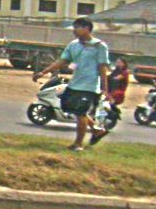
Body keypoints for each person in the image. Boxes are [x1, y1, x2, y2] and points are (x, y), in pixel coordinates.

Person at [33, 17, 110, 151]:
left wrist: (105, 88)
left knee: (80, 112)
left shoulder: (99, 46)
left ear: (87, 29)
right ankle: (97, 130)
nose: (74, 31)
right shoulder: (73, 45)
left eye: (77, 28)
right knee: (69, 107)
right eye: (74, 28)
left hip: (89, 86)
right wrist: (43, 72)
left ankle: (78, 144)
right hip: (75, 83)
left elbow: (102, 68)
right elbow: (62, 61)